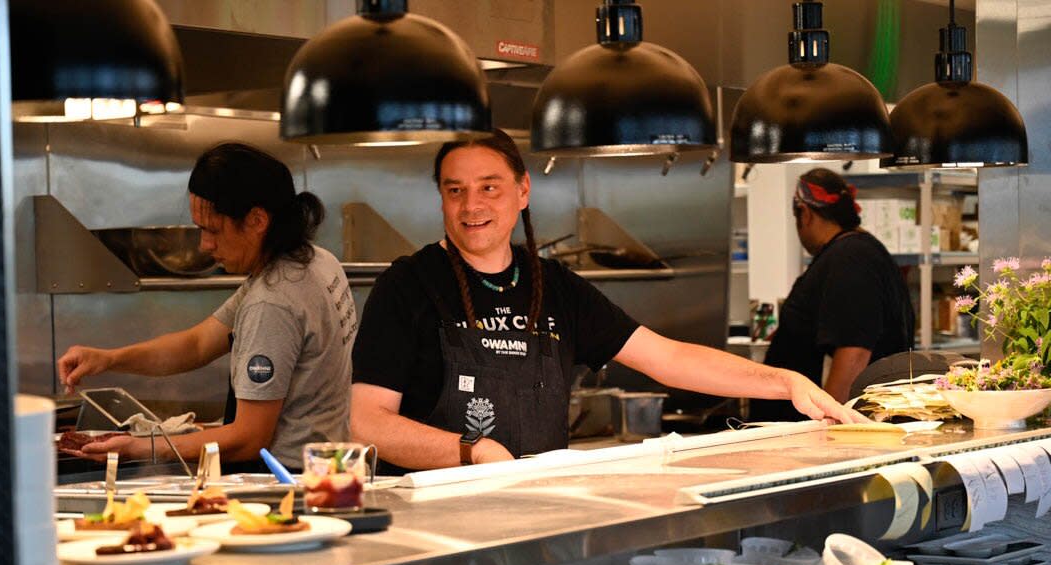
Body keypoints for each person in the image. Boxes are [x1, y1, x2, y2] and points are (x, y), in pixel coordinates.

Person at [350, 130, 863, 472]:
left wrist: (786, 383)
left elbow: (668, 358)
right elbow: (366, 422)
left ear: (523, 190)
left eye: (490, 186)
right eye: (455, 190)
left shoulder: (556, 286)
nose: (472, 205)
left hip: (537, 511)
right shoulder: (408, 286)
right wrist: (474, 453)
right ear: (441, 197)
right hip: (432, 523)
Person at [57, 143, 357, 471]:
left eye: (212, 230)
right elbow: (198, 343)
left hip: (282, 481)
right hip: (327, 470)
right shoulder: (314, 261)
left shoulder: (273, 302)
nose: (205, 244)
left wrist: (140, 448)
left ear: (257, 219)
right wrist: (108, 359)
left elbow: (248, 437)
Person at [752, 168, 916, 421]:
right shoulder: (854, 252)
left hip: (816, 425)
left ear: (805, 215)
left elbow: (854, 351)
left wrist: (829, 423)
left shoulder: (851, 257)